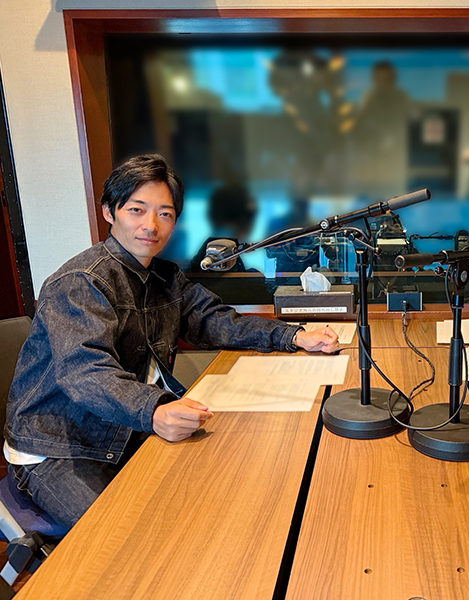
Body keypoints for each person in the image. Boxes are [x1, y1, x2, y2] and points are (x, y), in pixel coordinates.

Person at [4, 154, 339, 529]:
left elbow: (212, 320)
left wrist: (293, 335)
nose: (150, 225)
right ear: (109, 212)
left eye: (164, 214)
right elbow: (87, 374)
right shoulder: (81, 281)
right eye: (136, 210)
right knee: (126, 538)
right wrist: (154, 410)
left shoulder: (164, 276)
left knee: (217, 494)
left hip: (121, 427)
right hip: (58, 448)